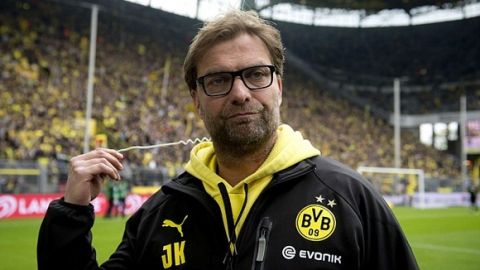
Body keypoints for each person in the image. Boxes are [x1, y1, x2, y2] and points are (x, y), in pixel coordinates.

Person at [37, 10, 419, 270]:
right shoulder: (159, 214)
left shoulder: (352, 199)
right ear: (196, 98)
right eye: (218, 80)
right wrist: (71, 214)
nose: (240, 93)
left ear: (279, 87)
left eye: (256, 74)